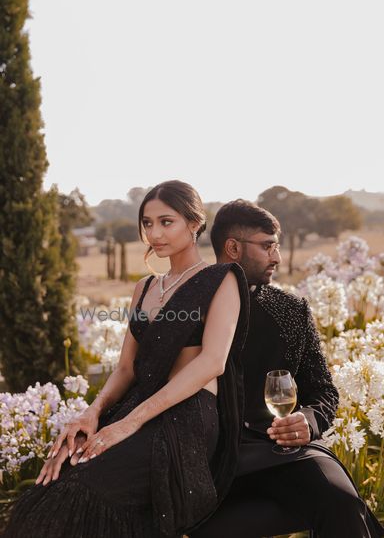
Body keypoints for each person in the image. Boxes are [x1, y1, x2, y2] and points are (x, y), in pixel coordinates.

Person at [3, 181, 250, 538]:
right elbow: (125, 368)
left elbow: (212, 362)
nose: (154, 233)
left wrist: (129, 423)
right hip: (136, 408)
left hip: (185, 420)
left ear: (195, 223)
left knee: (83, 492)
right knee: (50, 489)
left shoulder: (220, 279)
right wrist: (92, 413)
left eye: (166, 222)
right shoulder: (145, 288)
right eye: (147, 224)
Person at [189, 200, 384, 538]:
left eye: (276, 246)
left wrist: (307, 422)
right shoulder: (189, 306)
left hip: (286, 452)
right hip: (212, 461)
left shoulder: (291, 310)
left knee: (342, 503)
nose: (277, 257)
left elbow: (323, 390)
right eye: (267, 246)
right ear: (233, 248)